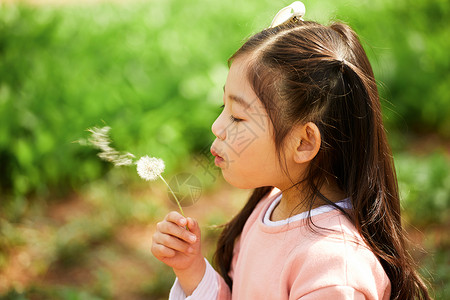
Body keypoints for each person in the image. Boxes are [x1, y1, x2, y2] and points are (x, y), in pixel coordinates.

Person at [151, 2, 431, 299]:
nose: (217, 126)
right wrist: (192, 271)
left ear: (304, 142)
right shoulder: (271, 206)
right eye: (224, 107)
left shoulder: (334, 272)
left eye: (238, 116)